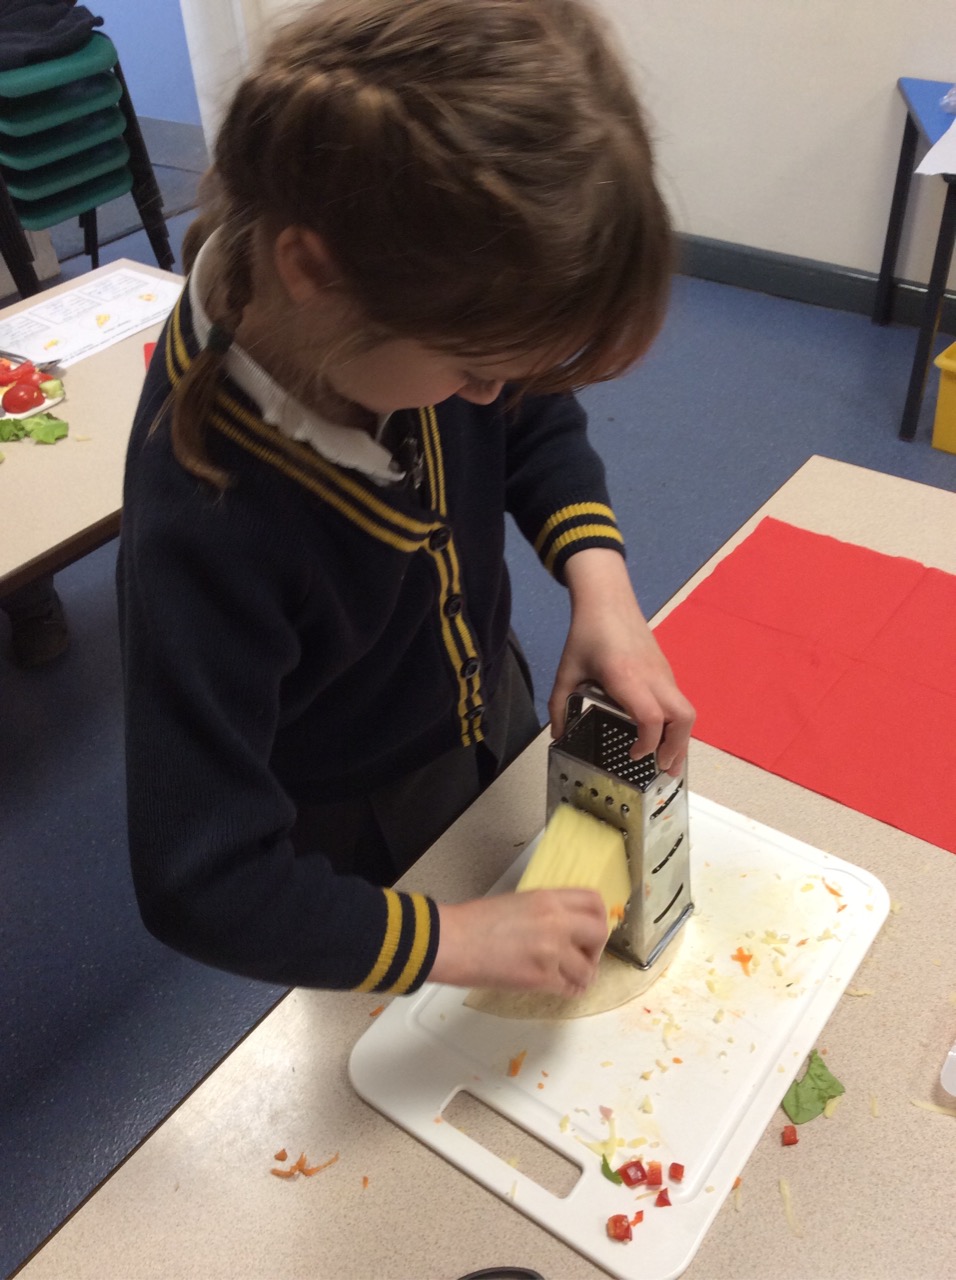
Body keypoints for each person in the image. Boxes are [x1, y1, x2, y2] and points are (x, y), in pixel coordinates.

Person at [116, 0, 695, 1004]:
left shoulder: (408, 301)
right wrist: (453, 939)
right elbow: (202, 879)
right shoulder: (206, 516)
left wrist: (602, 588)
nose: (493, 396)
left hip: (481, 707)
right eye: (474, 370)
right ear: (313, 273)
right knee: (399, 1032)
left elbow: (527, 415)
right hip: (352, 827)